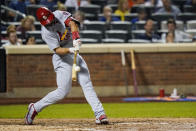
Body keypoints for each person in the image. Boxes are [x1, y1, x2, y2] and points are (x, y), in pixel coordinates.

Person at [25, 7, 109, 125]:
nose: (51, 24)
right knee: (62, 92)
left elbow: (72, 23)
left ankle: (99, 113)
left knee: (86, 83)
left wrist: (76, 37)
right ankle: (35, 108)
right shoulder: (46, 33)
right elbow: (58, 50)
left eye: (51, 20)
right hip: (62, 58)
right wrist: (71, 49)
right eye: (48, 23)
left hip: (74, 54)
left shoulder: (59, 14)